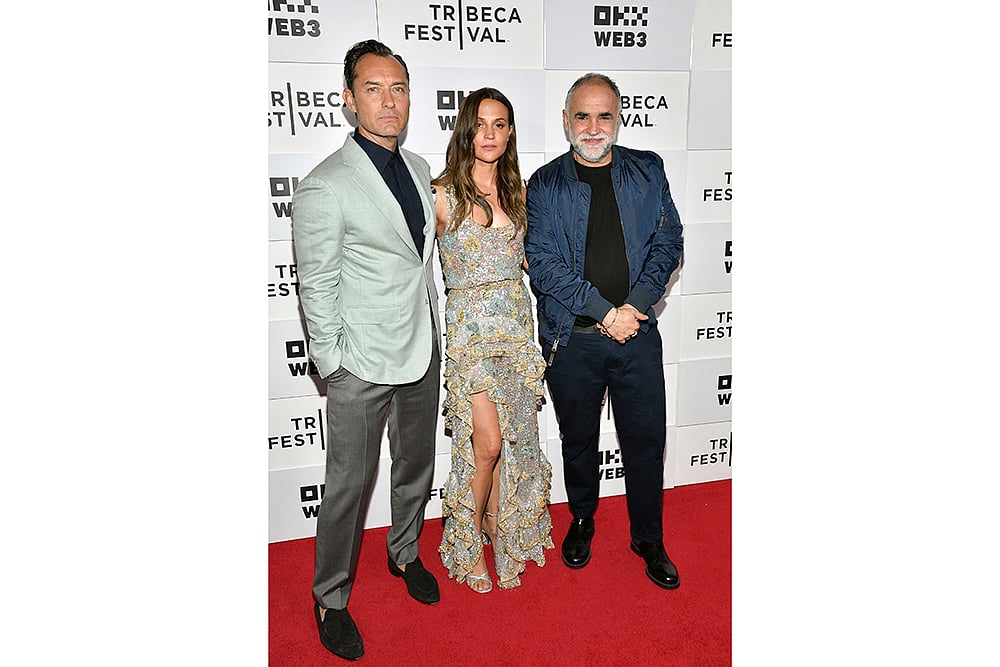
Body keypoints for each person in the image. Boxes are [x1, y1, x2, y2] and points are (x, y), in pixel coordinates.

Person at [291, 39, 442, 660]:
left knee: (414, 469)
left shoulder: (417, 167)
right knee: (348, 487)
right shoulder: (325, 185)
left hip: (420, 350)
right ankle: (330, 596)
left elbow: (414, 263)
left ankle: (404, 552)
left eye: (399, 88)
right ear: (350, 99)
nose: (389, 101)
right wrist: (335, 364)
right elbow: (316, 283)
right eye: (374, 89)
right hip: (360, 364)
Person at [524, 73, 684, 590]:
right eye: (583, 116)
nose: (594, 127)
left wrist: (634, 306)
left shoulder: (647, 170)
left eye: (605, 115)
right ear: (567, 119)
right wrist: (603, 311)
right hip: (574, 340)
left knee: (644, 439)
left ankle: (649, 537)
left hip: (637, 333)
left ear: (619, 118)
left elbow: (669, 241)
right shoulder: (545, 184)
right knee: (579, 439)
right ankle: (583, 519)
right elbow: (542, 264)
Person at [431, 88, 554, 593]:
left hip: (516, 330)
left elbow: (534, 262)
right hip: (471, 333)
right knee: (486, 443)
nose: (489, 134)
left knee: (514, 442)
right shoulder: (439, 194)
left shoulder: (519, 193)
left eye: (500, 124)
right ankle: (465, 536)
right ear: (466, 129)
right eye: (480, 124)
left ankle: (498, 523)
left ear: (510, 133)